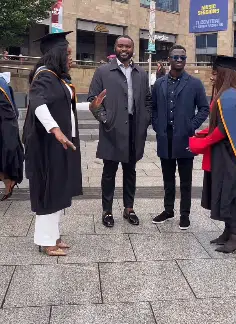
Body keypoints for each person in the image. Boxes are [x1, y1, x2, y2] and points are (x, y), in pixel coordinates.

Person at [189, 55, 236, 254]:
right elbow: (225, 125)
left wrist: (201, 143)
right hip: (228, 153)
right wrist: (205, 133)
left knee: (229, 194)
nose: (212, 78)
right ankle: (227, 231)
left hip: (233, 157)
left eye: (215, 74)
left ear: (224, 74)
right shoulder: (233, 93)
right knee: (222, 192)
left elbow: (224, 131)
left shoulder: (230, 97)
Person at [22, 31, 82, 256]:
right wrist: (55, 129)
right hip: (47, 144)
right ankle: (46, 242)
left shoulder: (58, 78)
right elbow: (38, 102)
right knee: (48, 190)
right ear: (56, 54)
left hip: (60, 144)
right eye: (66, 54)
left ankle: (54, 236)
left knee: (57, 189)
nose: (70, 58)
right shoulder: (44, 75)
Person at [88, 35, 152, 228]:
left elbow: (148, 99)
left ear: (133, 49)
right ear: (115, 48)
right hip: (112, 129)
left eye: (128, 46)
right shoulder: (103, 71)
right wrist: (106, 119)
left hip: (134, 128)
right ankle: (107, 210)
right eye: (120, 45)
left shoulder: (140, 73)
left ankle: (129, 208)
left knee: (130, 171)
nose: (124, 49)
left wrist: (145, 119)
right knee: (109, 172)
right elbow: (93, 100)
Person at [151, 45, 209, 229]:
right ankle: (168, 210)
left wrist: (191, 125)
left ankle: (185, 214)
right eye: (176, 57)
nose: (179, 60)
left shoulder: (194, 83)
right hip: (164, 138)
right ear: (169, 59)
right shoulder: (159, 83)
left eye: (182, 58)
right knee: (167, 178)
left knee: (186, 180)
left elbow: (204, 108)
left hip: (184, 139)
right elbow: (152, 106)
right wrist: (157, 124)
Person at [0, 72, 24, 201]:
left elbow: (8, 111)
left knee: (5, 155)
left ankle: (9, 181)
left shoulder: (1, 84)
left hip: (4, 127)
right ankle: (8, 182)